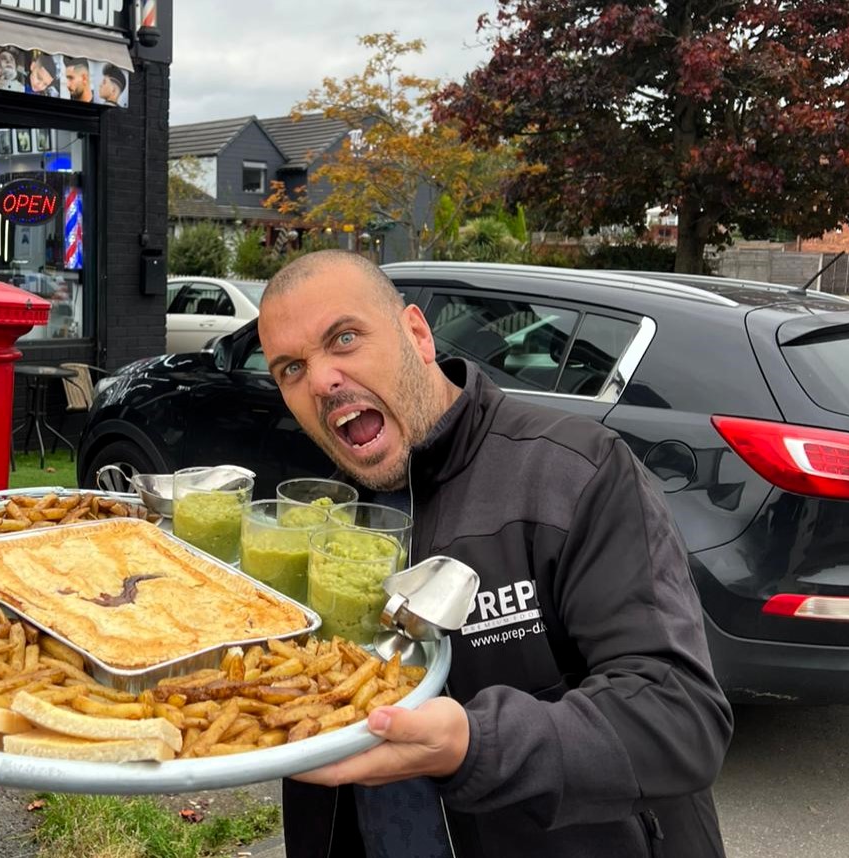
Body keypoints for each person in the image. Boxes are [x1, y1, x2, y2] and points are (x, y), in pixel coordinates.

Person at [256, 250, 734, 858]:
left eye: (344, 338)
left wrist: (474, 745)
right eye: (291, 369)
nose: (322, 380)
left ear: (417, 335)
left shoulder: (576, 473)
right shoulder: (325, 523)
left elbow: (681, 716)